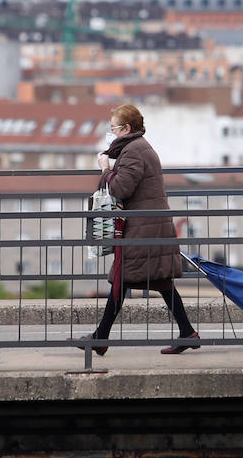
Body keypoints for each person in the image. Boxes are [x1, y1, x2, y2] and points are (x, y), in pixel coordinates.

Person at [77, 103, 199, 355]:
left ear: (127, 128)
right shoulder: (138, 147)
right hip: (149, 225)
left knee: (122, 278)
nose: (111, 134)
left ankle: (100, 339)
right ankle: (188, 332)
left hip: (143, 227)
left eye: (114, 128)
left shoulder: (133, 151)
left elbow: (122, 188)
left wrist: (106, 170)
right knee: (159, 282)